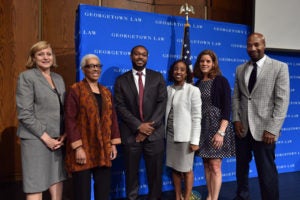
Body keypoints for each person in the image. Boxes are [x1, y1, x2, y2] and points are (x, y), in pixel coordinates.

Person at [232, 32, 290, 200]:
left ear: (264, 45)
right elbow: (237, 97)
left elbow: (282, 101)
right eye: (249, 45)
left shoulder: (279, 67)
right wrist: (236, 119)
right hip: (242, 129)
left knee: (267, 172)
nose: (252, 48)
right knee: (241, 170)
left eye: (256, 45)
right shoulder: (240, 68)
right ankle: (242, 197)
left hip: (265, 131)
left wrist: (272, 129)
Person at [64, 54, 121, 200]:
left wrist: (113, 144)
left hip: (103, 148)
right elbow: (70, 120)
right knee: (82, 193)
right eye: (91, 66)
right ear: (83, 69)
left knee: (103, 191)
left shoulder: (106, 92)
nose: (95, 69)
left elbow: (112, 118)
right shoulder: (75, 89)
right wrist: (78, 148)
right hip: (83, 148)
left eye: (98, 66)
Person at [114, 45, 167, 200]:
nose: (140, 57)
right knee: (131, 174)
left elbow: (162, 104)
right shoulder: (121, 80)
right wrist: (139, 126)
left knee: (155, 175)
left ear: (147, 57)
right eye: (137, 54)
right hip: (132, 135)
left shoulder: (157, 77)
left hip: (154, 135)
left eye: (143, 55)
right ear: (131, 56)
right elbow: (120, 106)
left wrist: (148, 128)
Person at [16, 41, 67, 200]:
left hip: (57, 139)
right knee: (35, 183)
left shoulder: (58, 78)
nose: (46, 57)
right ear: (33, 58)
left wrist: (64, 134)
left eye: (49, 54)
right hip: (36, 139)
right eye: (41, 54)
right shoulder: (27, 77)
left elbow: (63, 108)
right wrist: (46, 138)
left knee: (57, 179)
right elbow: (24, 113)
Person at [194, 50, 235, 200]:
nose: (204, 64)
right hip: (202, 127)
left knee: (215, 166)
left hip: (217, 127)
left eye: (208, 61)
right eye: (202, 61)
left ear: (213, 63)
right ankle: (210, 195)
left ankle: (214, 198)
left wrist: (221, 132)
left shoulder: (221, 80)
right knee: (206, 164)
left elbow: (227, 107)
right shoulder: (197, 83)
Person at [165, 60, 201, 200]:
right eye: (176, 69)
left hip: (186, 138)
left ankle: (187, 197)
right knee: (174, 168)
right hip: (169, 136)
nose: (178, 72)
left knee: (186, 170)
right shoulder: (168, 89)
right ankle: (177, 197)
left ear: (187, 73)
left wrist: (195, 140)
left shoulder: (193, 90)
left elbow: (197, 117)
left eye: (182, 69)